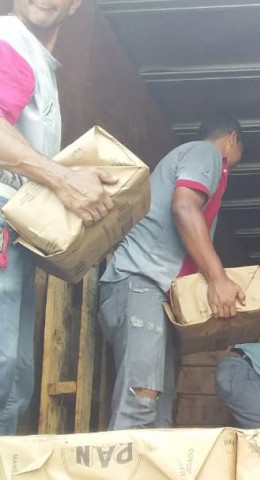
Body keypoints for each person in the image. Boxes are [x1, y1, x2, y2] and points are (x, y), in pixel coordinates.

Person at [0, 0, 117, 434]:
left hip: (15, 237)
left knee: (15, 382)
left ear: (75, 5)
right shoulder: (10, 40)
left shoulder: (40, 64)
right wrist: (63, 180)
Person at [98, 112, 245, 430]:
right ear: (232, 138)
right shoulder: (206, 153)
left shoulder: (188, 157)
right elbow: (184, 207)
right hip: (140, 283)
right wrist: (218, 278)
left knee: (159, 415)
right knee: (140, 403)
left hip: (154, 294)